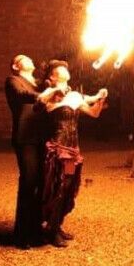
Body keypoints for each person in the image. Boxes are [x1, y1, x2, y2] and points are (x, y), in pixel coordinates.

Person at [41, 60, 107, 247]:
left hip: (72, 150)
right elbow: (43, 108)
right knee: (58, 188)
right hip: (58, 148)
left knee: (68, 188)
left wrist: (100, 98)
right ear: (52, 76)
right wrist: (60, 99)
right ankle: (50, 230)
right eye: (60, 69)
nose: (65, 70)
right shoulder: (49, 95)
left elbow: (94, 113)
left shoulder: (75, 95)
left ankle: (56, 225)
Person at [4, 54, 57, 249]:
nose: (30, 59)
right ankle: (22, 234)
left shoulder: (39, 83)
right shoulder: (13, 81)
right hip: (25, 138)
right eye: (23, 58)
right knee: (28, 181)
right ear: (16, 66)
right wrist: (45, 94)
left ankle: (36, 229)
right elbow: (22, 96)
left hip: (42, 137)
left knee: (42, 183)